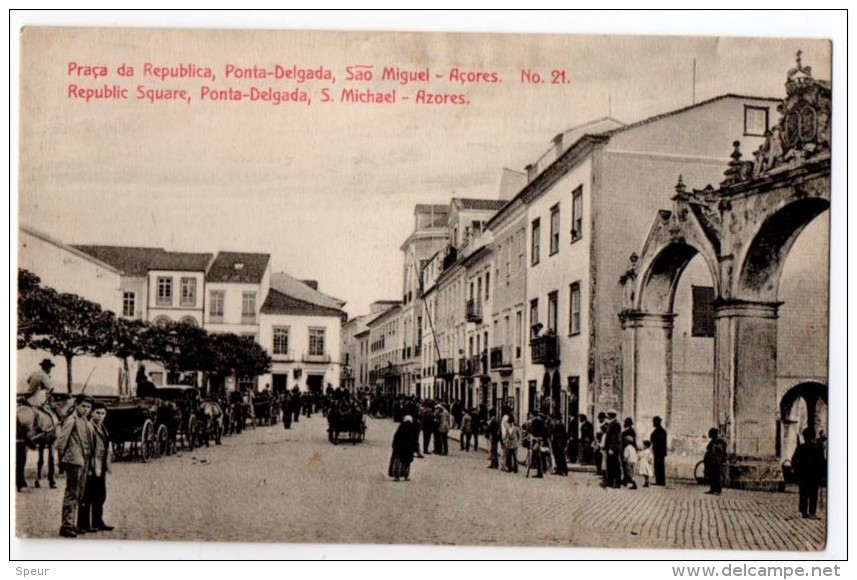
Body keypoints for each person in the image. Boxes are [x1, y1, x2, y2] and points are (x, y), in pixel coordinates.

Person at [55, 394, 94, 538]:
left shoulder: (84, 421)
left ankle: (72, 524)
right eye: (83, 406)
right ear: (77, 404)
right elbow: (61, 442)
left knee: (78, 493)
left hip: (84, 461)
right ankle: (66, 526)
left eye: (89, 407)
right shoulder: (71, 420)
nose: (86, 409)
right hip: (73, 462)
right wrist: (62, 460)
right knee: (71, 493)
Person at [78, 402, 114, 532]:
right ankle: (83, 524)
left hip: (101, 465)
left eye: (103, 413)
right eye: (97, 413)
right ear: (92, 413)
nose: (100, 416)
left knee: (100, 495)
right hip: (91, 465)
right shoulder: (89, 427)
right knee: (87, 495)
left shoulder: (102, 427)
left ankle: (98, 521)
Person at [791, 427, 826, 519]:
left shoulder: (801, 447)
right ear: (813, 437)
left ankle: (804, 512)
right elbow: (822, 462)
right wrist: (822, 475)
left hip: (803, 474)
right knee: (813, 493)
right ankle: (812, 512)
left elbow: (793, 460)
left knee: (803, 493)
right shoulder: (818, 448)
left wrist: (797, 469)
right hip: (814, 474)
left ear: (804, 437)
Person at [388, 415, 416, 482]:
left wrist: (394, 446)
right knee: (406, 463)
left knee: (398, 462)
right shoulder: (411, 428)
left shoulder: (401, 427)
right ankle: (405, 476)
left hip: (399, 448)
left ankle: (397, 476)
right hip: (407, 448)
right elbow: (412, 439)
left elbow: (396, 437)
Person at [703, 427, 727, 495]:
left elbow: (711, 450)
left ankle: (717, 490)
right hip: (714, 461)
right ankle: (713, 489)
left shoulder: (716, 441)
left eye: (710, 433)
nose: (708, 434)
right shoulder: (719, 441)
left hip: (714, 461)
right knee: (713, 475)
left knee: (716, 475)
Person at [602, 409, 622, 488]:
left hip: (613, 449)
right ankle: (610, 481)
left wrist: (612, 448)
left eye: (608, 415)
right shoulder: (611, 424)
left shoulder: (616, 424)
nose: (607, 417)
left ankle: (617, 482)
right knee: (610, 465)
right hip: (609, 449)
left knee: (615, 465)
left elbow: (615, 438)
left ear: (611, 415)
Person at [651, 416, 668, 486]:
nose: (653, 423)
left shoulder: (660, 431)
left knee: (659, 466)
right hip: (658, 451)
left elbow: (658, 441)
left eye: (654, 422)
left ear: (657, 422)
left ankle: (661, 481)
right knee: (657, 466)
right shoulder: (660, 430)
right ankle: (658, 480)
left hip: (659, 451)